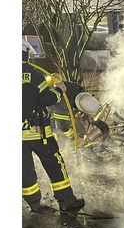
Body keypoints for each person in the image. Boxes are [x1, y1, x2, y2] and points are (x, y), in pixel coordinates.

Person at [22, 39, 87, 217]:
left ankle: (34, 205)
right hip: (38, 133)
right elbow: (47, 100)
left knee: (24, 169)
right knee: (54, 164)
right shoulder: (33, 74)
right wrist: (60, 90)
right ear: (26, 54)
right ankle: (67, 201)